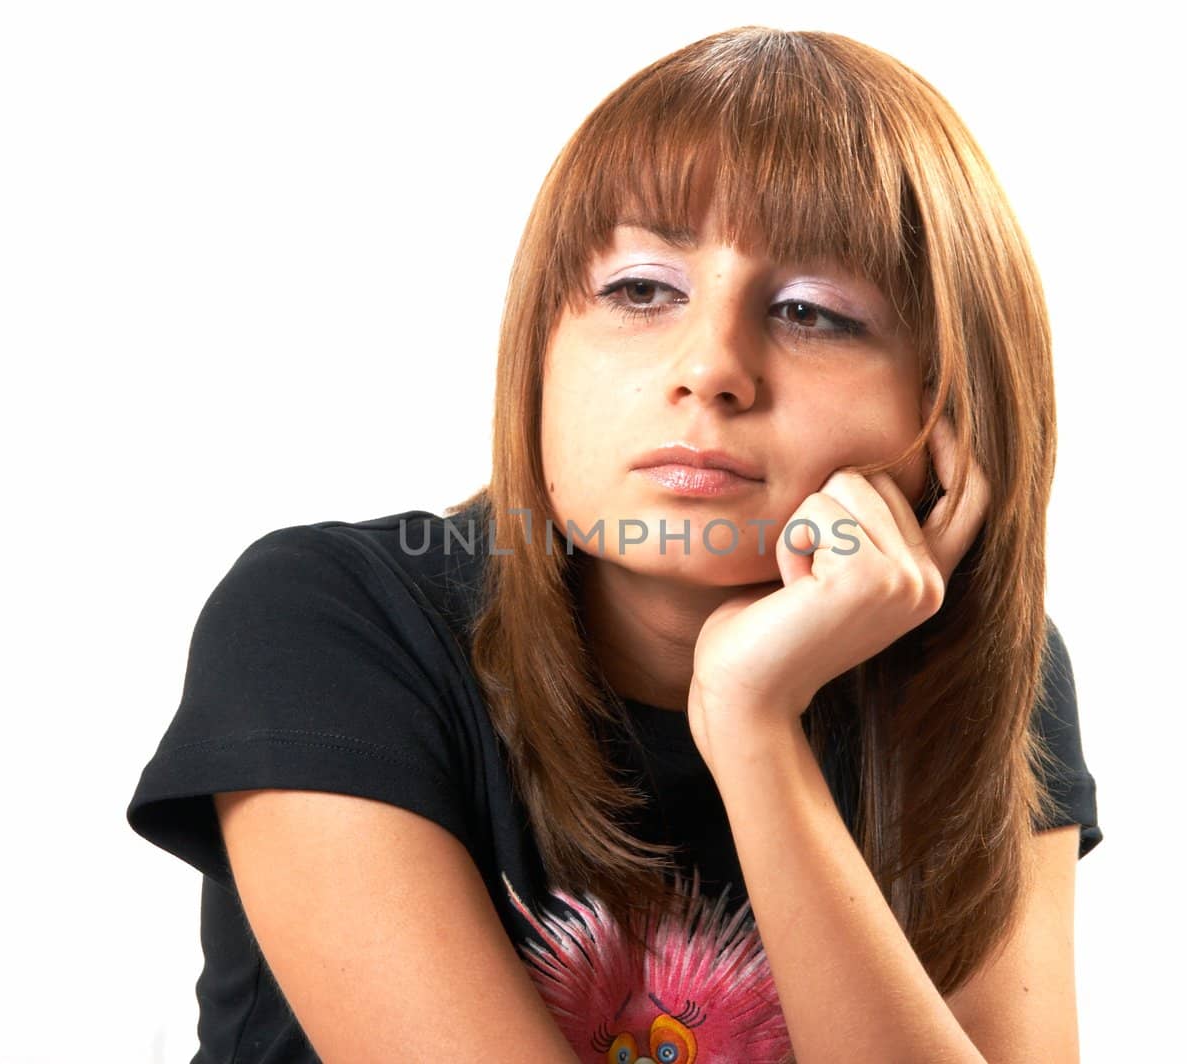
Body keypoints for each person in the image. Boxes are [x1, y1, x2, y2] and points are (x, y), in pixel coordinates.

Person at [127, 24, 1102, 1064]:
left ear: (948, 411)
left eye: (811, 311)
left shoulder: (986, 670)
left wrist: (750, 723)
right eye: (641, 290)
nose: (710, 368)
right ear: (541, 344)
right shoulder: (324, 625)